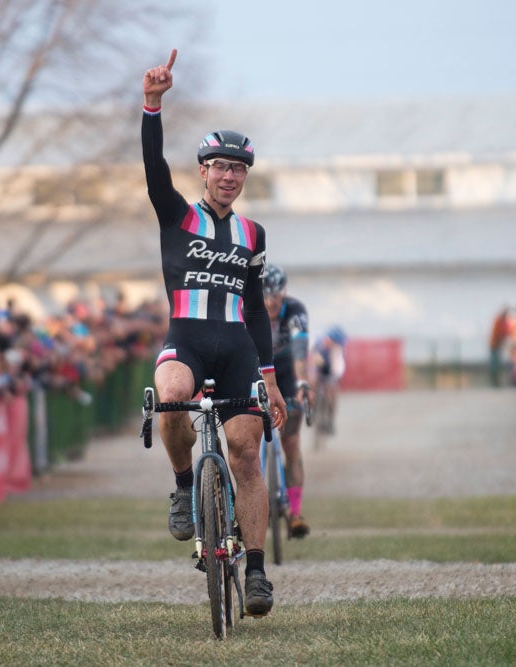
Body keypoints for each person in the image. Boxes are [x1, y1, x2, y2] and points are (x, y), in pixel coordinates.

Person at [142, 48, 285, 618]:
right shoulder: (177, 215)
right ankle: (184, 487)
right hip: (188, 339)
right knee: (172, 394)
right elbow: (153, 166)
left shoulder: (253, 233)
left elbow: (256, 310)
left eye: (238, 169)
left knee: (246, 455)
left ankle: (257, 572)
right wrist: (152, 105)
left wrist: (269, 378)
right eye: (220, 167)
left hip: (238, 350)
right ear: (203, 171)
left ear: (246, 176)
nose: (229, 176)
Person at [262, 263, 312, 538]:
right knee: (245, 442)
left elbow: (300, 350)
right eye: (265, 295)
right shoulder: (246, 309)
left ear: (284, 292)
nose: (271, 302)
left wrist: (303, 382)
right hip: (256, 373)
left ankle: (295, 513)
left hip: (287, 374)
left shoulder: (294, 310)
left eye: (276, 295)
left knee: (291, 442)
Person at [310, 325, 347, 435]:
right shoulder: (318, 343)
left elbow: (337, 370)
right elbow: (313, 364)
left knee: (332, 392)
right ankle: (313, 410)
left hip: (330, 370)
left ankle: (330, 420)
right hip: (319, 368)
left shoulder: (338, 350)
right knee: (312, 382)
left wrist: (334, 380)